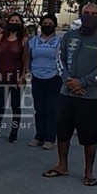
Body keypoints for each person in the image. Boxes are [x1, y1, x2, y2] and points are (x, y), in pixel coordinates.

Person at [42, 3, 97, 187]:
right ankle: (62, 165)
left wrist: (82, 82)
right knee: (63, 130)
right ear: (80, 15)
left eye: (94, 14)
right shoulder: (68, 36)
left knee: (89, 136)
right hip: (66, 93)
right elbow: (59, 59)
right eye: (86, 13)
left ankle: (88, 171)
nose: (90, 16)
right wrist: (68, 81)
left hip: (90, 96)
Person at [0, 13, 30, 143]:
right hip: (1, 75)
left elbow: (26, 60)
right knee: (0, 104)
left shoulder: (24, 40)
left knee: (15, 106)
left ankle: (14, 131)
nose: (14, 22)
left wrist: (23, 77)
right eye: (12, 20)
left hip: (16, 77)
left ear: (21, 23)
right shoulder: (0, 38)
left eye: (17, 21)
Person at [28, 13, 62, 149]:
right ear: (41, 25)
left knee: (52, 109)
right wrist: (28, 71)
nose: (47, 26)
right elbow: (28, 57)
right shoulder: (33, 41)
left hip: (54, 77)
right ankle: (39, 136)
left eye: (50, 24)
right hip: (37, 77)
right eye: (45, 24)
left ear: (55, 25)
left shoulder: (59, 41)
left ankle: (50, 138)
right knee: (39, 109)